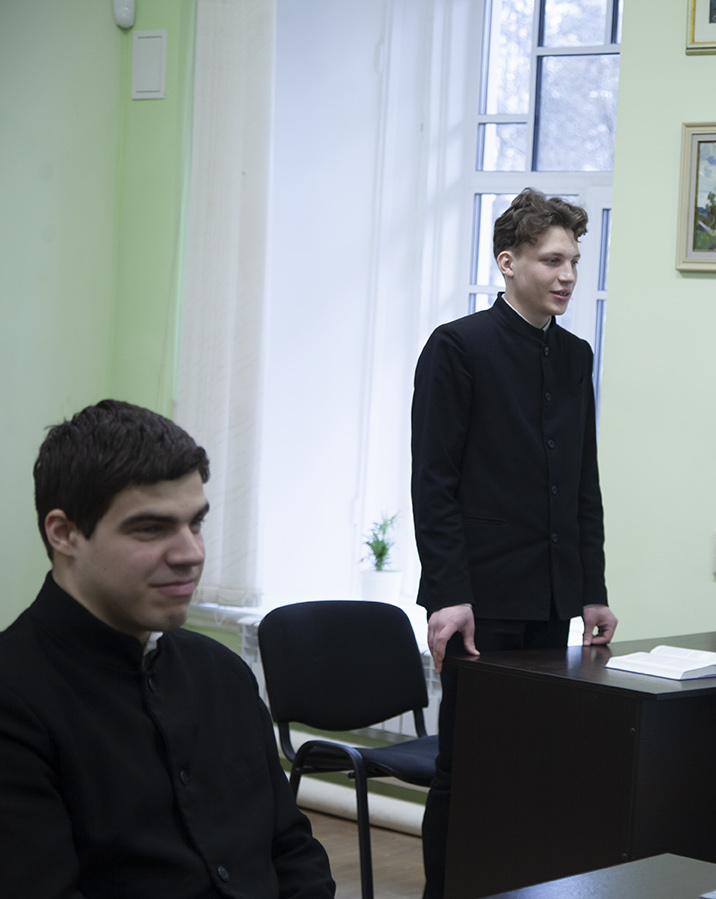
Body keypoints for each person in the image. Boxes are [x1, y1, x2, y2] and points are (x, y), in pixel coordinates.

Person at [0, 399, 335, 898]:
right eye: (151, 528)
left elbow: (291, 849)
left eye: (195, 523)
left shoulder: (223, 673)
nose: (191, 554)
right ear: (65, 533)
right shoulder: (14, 698)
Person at [411, 188, 617, 898]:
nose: (568, 275)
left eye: (574, 261)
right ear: (508, 262)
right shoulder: (458, 347)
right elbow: (434, 482)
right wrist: (447, 595)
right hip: (480, 600)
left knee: (538, 766)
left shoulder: (575, 355)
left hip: (552, 596)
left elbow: (583, 481)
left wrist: (593, 589)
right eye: (552, 260)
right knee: (469, 764)